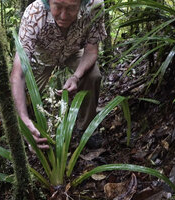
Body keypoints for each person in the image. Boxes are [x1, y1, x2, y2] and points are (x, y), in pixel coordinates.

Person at [10, 0, 107, 149]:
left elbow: (91, 50)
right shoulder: (34, 13)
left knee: (92, 76)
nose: (63, 15)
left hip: (73, 51)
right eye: (57, 6)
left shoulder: (94, 6)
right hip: (42, 58)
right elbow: (18, 74)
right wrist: (23, 118)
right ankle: (32, 132)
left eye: (71, 8)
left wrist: (76, 76)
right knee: (22, 95)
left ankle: (85, 128)